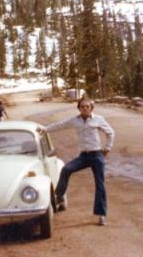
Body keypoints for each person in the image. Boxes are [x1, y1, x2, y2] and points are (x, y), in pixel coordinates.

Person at [38, 97, 115, 226]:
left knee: (100, 185)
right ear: (79, 108)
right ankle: (60, 196)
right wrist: (45, 129)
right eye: (82, 106)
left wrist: (107, 148)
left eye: (87, 106)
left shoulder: (98, 119)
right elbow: (61, 125)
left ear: (91, 108)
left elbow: (111, 133)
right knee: (66, 169)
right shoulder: (75, 120)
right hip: (84, 156)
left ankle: (101, 215)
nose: (85, 108)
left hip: (97, 155)